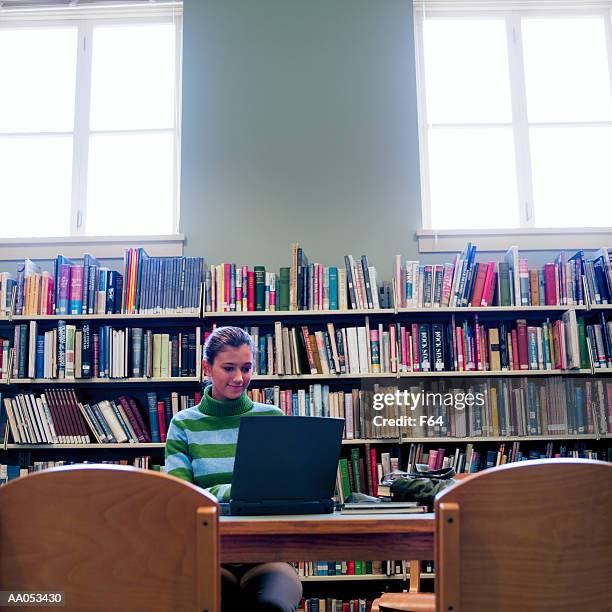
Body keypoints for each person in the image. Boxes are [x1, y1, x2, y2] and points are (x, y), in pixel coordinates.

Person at [165, 325, 303, 612]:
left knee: (271, 606)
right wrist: (240, 492)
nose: (239, 378)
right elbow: (180, 499)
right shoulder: (183, 424)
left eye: (246, 368)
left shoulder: (272, 417)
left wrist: (217, 494)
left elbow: (279, 493)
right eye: (228, 368)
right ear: (207, 367)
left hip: (268, 557)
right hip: (209, 556)